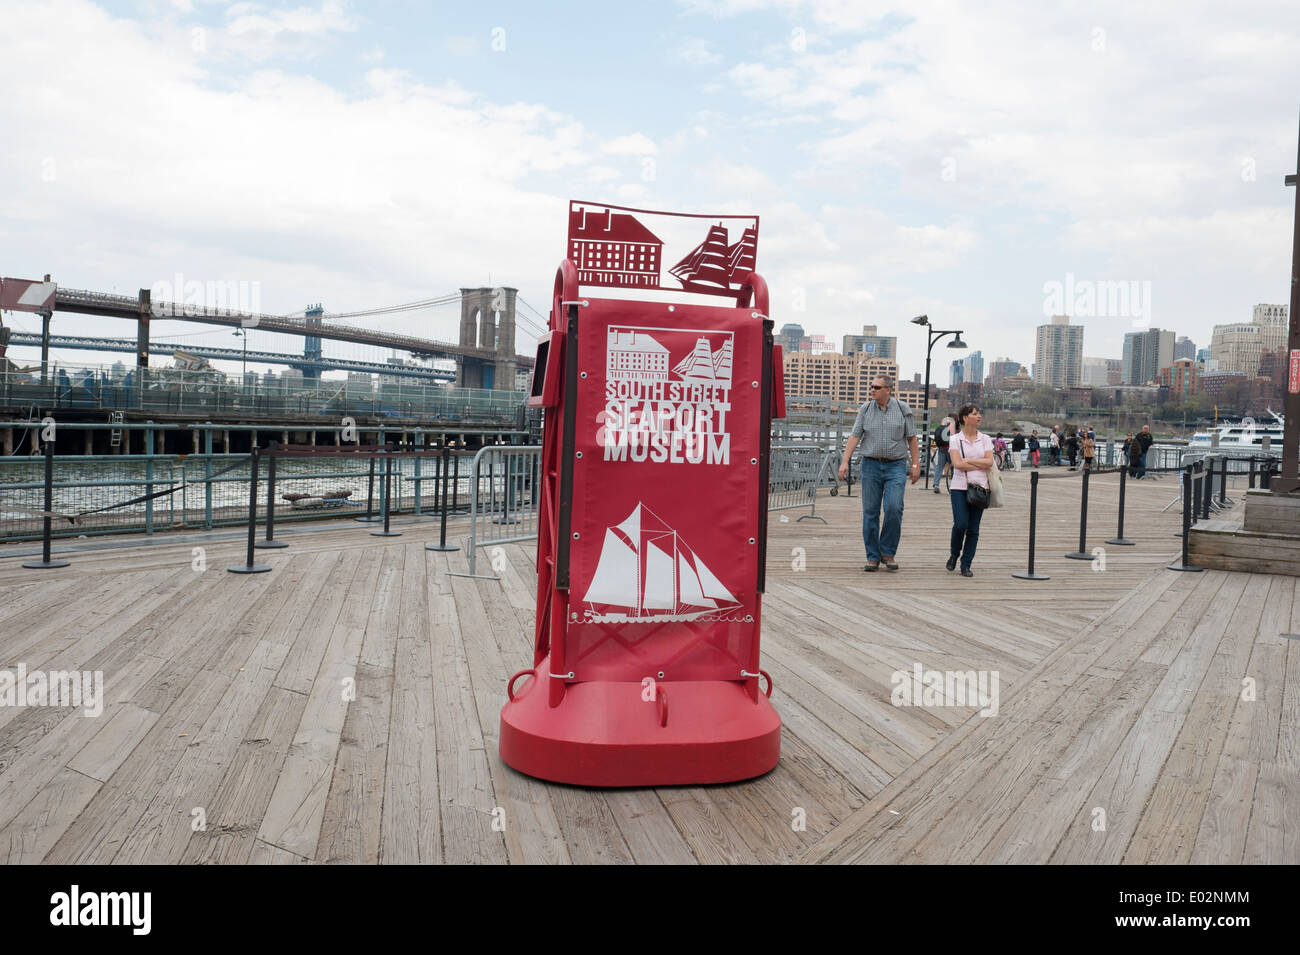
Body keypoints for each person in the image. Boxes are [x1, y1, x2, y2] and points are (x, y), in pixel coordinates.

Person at [838, 375, 920, 572]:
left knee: (894, 508)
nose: (872, 390)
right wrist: (844, 461)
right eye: (871, 387)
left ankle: (888, 552)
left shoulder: (902, 409)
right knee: (870, 512)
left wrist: (916, 465)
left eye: (876, 387)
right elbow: (855, 436)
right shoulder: (865, 409)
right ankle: (873, 557)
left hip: (896, 466)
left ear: (888, 390)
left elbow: (912, 438)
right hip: (871, 466)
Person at [947, 403, 994, 578]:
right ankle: (954, 553)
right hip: (960, 486)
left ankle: (966, 564)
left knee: (973, 529)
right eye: (975, 413)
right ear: (966, 418)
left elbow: (990, 462)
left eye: (979, 413)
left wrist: (968, 461)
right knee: (960, 525)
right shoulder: (955, 439)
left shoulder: (985, 439)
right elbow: (957, 464)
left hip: (981, 487)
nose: (979, 416)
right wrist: (978, 463)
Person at [931, 416, 954, 494]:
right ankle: (952, 486)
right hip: (950, 449)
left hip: (941, 449)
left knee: (939, 466)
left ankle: (936, 484)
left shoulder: (938, 428)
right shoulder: (951, 428)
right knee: (953, 466)